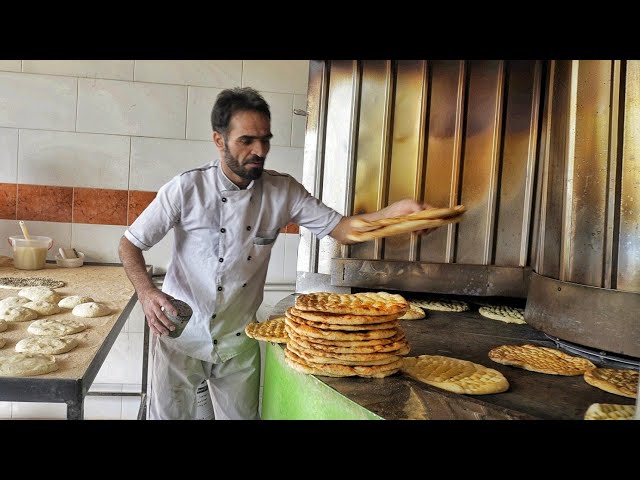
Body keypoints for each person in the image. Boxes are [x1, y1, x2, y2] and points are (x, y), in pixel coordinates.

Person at [118, 86, 432, 420]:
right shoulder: (186, 188)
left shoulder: (283, 191)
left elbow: (344, 229)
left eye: (265, 140)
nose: (259, 150)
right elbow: (130, 243)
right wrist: (147, 293)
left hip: (239, 343)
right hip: (181, 336)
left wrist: (396, 216)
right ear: (218, 139)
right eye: (247, 140)